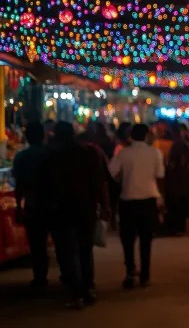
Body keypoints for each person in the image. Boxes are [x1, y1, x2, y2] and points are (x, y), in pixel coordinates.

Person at [44, 122, 110, 309]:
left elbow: (46, 185)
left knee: (68, 251)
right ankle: (88, 288)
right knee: (84, 249)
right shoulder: (88, 153)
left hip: (62, 208)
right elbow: (99, 181)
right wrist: (105, 205)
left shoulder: (52, 155)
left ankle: (76, 292)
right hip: (86, 207)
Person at [108, 123, 164, 289]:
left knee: (128, 240)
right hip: (148, 199)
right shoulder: (155, 153)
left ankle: (130, 271)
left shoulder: (124, 153)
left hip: (128, 200)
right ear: (147, 135)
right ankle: (145, 275)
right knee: (146, 239)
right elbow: (160, 175)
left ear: (130, 136)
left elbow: (112, 172)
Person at [12, 121, 49, 289]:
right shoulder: (51, 154)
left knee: (37, 244)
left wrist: (19, 206)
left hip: (33, 205)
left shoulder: (22, 157)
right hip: (54, 204)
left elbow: (19, 184)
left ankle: (40, 277)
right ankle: (68, 276)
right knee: (61, 241)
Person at [163, 124, 189, 235]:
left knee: (175, 204)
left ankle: (175, 227)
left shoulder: (173, 144)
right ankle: (179, 227)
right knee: (181, 203)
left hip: (175, 179)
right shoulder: (183, 145)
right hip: (182, 179)